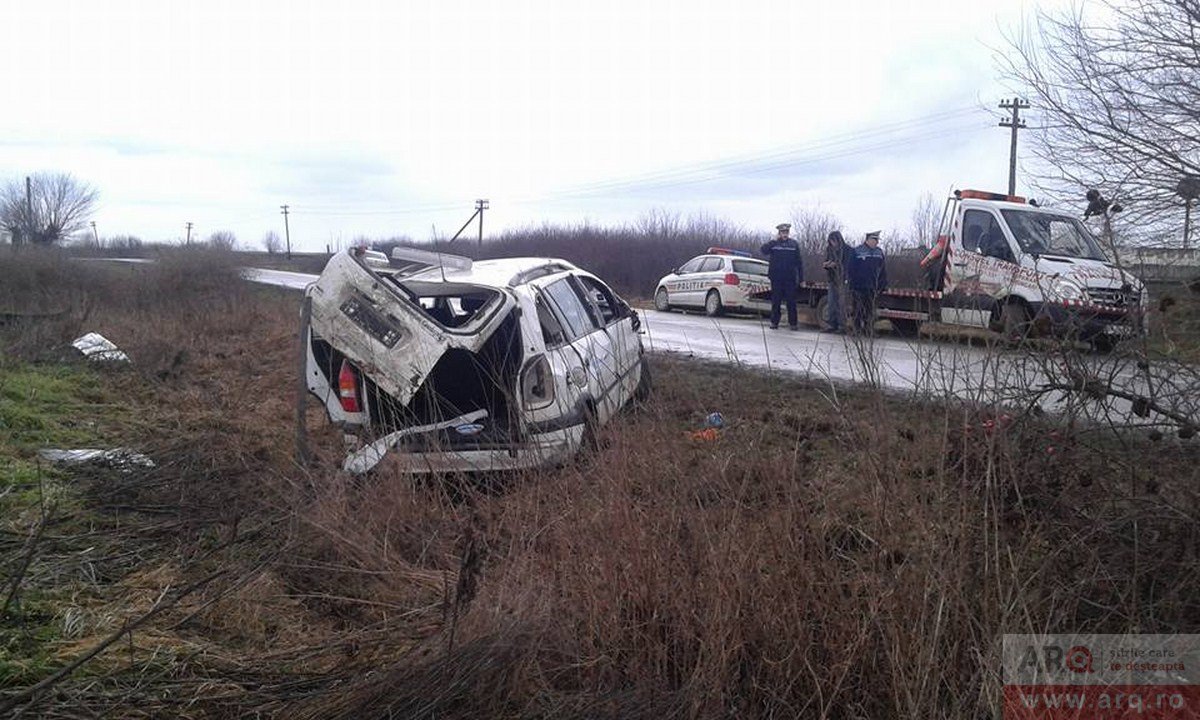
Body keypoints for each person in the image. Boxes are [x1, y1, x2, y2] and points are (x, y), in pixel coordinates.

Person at [760, 222, 803, 330]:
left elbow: (799, 262)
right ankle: (774, 322)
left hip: (790, 278)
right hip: (776, 277)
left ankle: (793, 323)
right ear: (779, 233)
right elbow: (763, 250)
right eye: (783, 232)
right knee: (776, 301)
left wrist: (801, 278)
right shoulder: (774, 244)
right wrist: (773, 241)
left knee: (791, 301)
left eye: (786, 232)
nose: (785, 234)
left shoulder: (793, 244)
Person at [849, 230, 888, 335]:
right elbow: (851, 269)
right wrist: (851, 284)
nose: (877, 242)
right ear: (868, 240)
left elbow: (882, 270)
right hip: (859, 286)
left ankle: (868, 330)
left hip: (872, 287)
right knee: (858, 310)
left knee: (870, 311)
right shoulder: (857, 251)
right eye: (875, 240)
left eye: (877, 240)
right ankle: (856, 330)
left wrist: (883, 284)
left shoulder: (879, 253)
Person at [821, 230, 852, 333]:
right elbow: (827, 260)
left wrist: (836, 265)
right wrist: (826, 264)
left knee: (841, 303)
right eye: (830, 241)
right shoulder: (829, 249)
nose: (832, 243)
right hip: (832, 279)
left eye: (834, 241)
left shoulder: (847, 250)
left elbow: (847, 265)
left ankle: (841, 326)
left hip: (842, 279)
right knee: (831, 302)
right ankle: (831, 324)